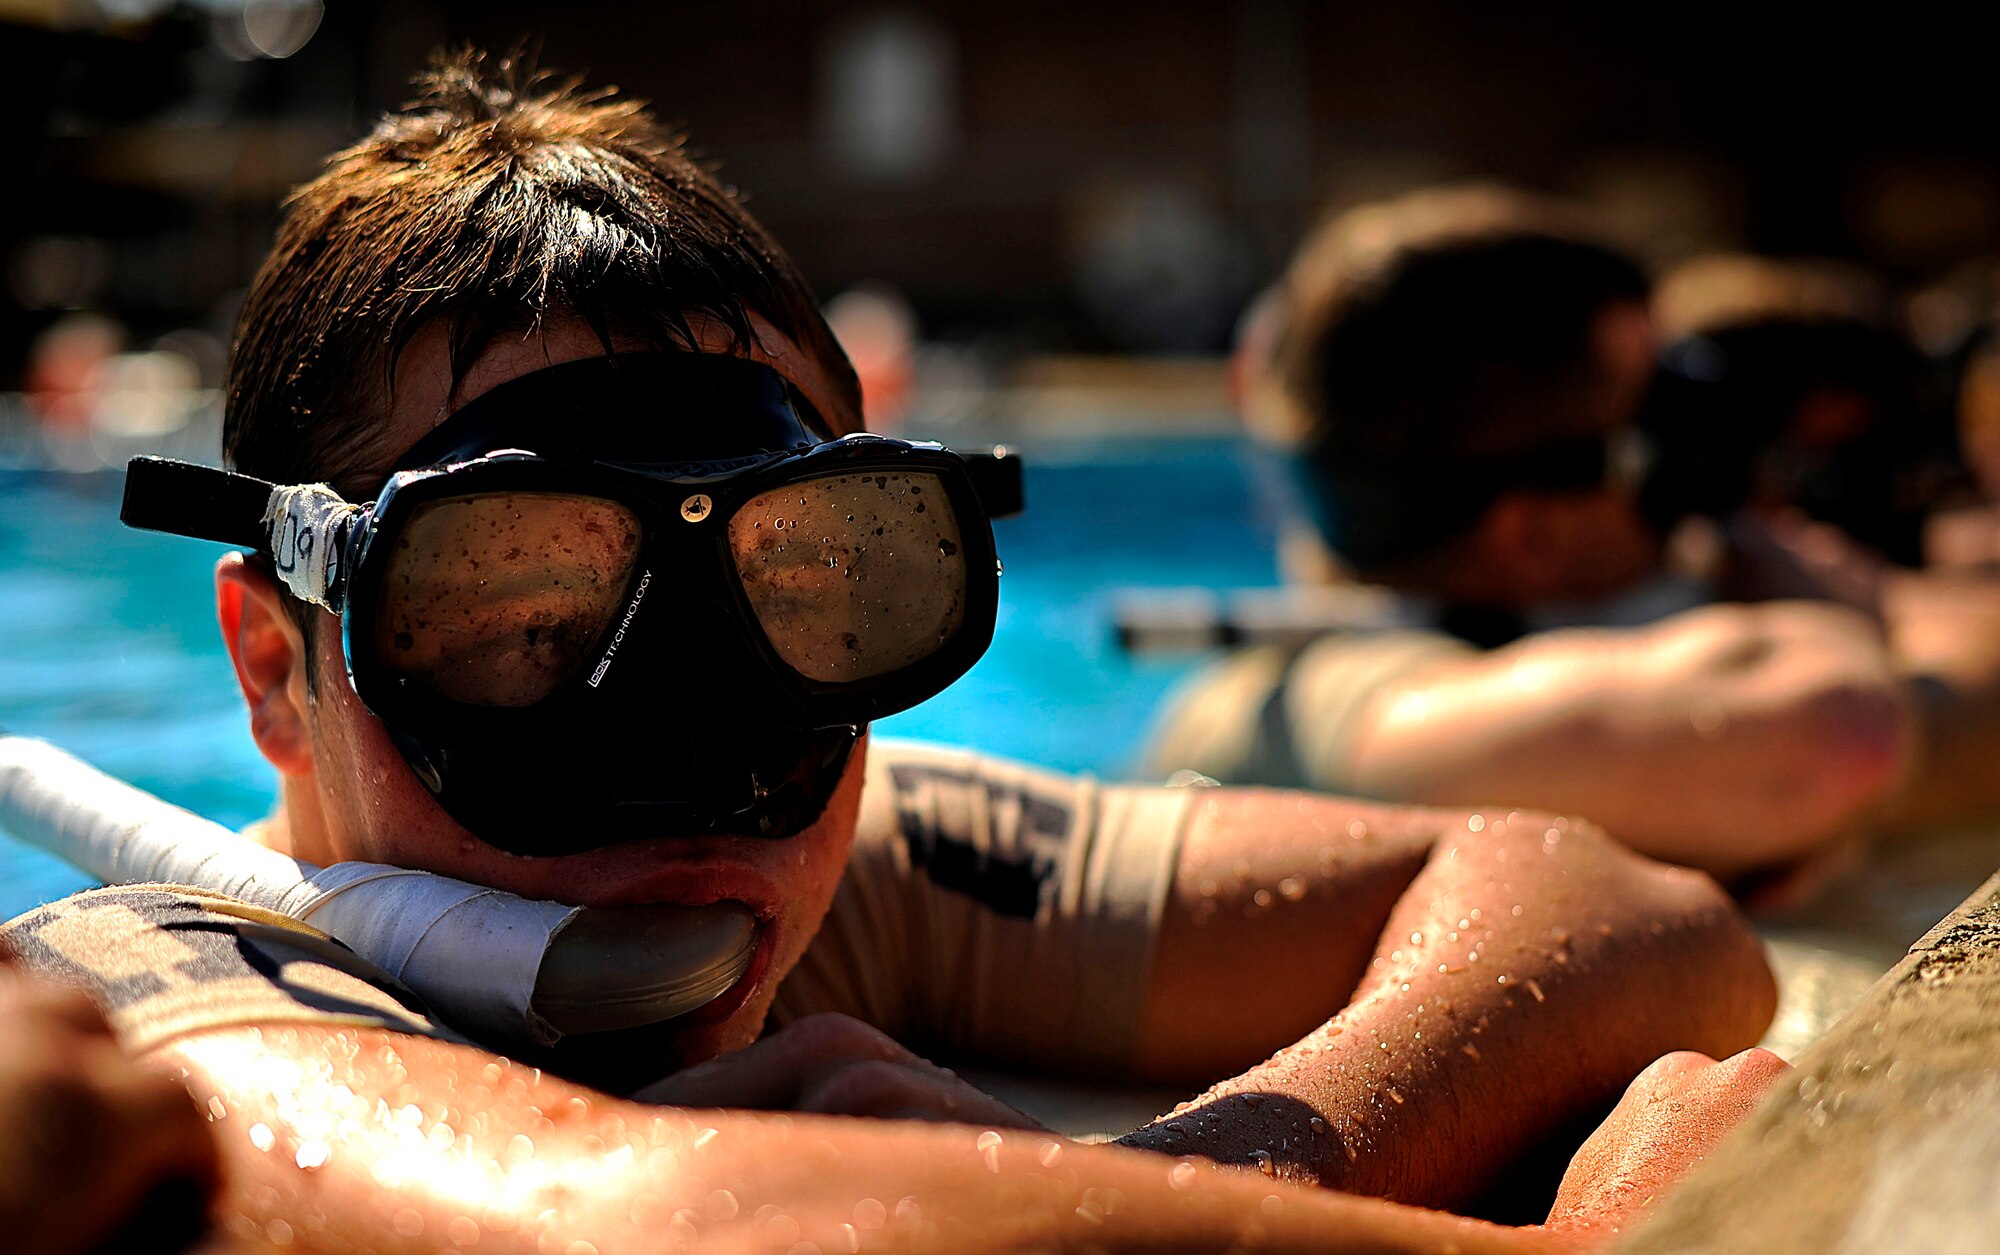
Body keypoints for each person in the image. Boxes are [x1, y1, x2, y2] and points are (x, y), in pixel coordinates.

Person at [3, 56, 1776, 1252]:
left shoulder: (834, 874)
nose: (700, 734)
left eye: (812, 584)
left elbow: (1615, 913)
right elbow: (665, 1229)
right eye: (524, 622)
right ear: (273, 668)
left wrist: (1242, 1158)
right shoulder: (155, 991)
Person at [1143, 185, 2000, 883]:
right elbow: (1836, 738)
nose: (1711, 463)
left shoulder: (1640, 602)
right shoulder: (1336, 698)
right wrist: (1851, 606)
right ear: (1532, 533)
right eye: (1658, 431)